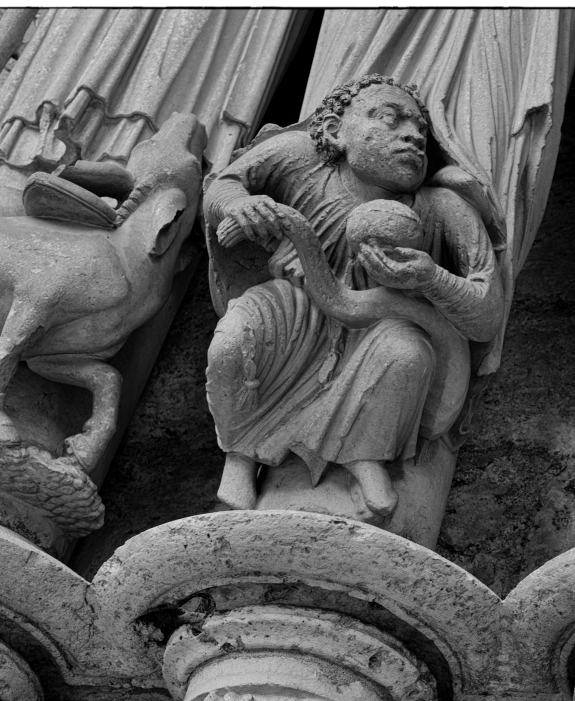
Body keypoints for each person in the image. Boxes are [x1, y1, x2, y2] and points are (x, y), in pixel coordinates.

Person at [204, 74, 504, 518]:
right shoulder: (298, 157)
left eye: (420, 130)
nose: (412, 135)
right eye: (388, 117)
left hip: (381, 323)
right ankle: (239, 451)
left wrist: (431, 278)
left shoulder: (442, 208)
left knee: (406, 355)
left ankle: (364, 455)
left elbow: (486, 316)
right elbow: (225, 184)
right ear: (333, 132)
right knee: (235, 339)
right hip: (296, 308)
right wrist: (238, 205)